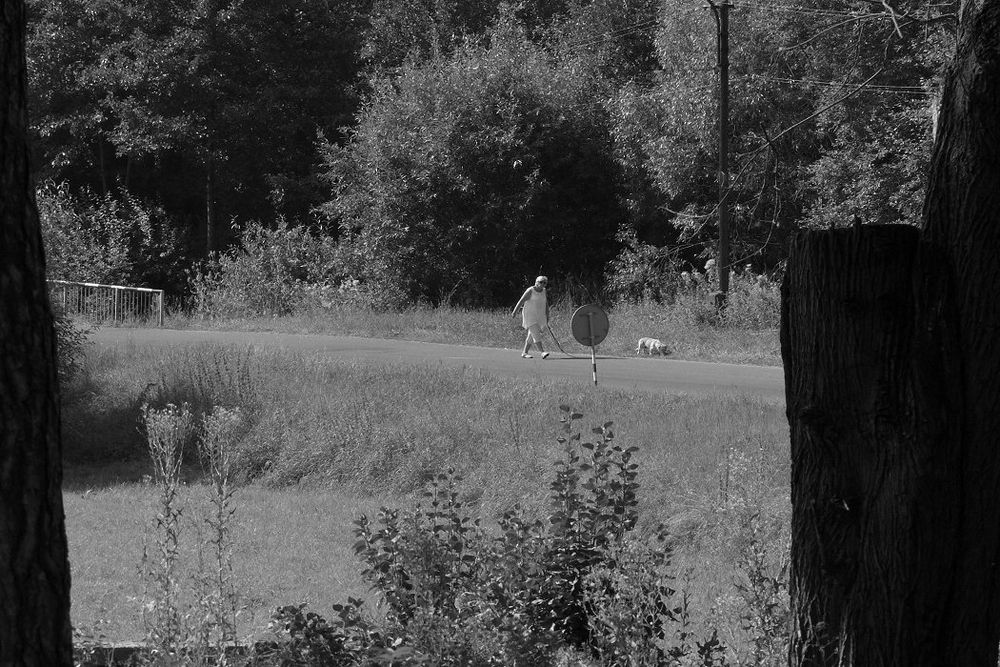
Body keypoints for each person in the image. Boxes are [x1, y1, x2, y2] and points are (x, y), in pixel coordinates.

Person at [511, 275, 550, 359]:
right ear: (536, 282)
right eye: (540, 282)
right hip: (530, 315)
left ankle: (524, 352)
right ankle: (542, 352)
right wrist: (514, 312)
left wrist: (547, 314)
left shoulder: (544, 291)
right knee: (535, 333)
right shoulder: (530, 290)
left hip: (539, 315)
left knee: (531, 334)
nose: (542, 284)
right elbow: (521, 301)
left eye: (544, 282)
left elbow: (545, 303)